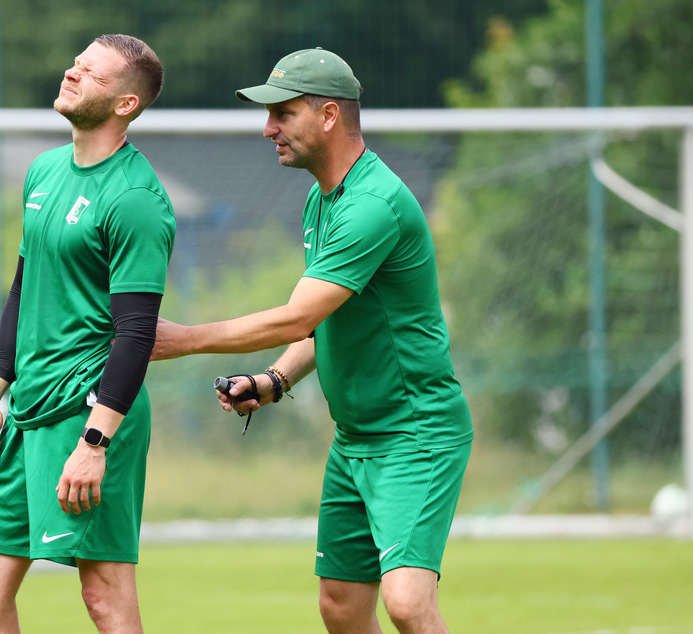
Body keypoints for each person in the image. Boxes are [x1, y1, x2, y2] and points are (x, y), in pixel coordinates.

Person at [153, 48, 473, 634]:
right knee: (342, 608)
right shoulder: (321, 199)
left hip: (415, 434)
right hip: (355, 438)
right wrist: (275, 380)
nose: (268, 127)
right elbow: (325, 322)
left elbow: (296, 317)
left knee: (406, 602)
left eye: (283, 112)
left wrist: (183, 339)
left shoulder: (371, 206)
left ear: (329, 115)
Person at [0, 34, 175, 634]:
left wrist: (95, 443)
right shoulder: (44, 171)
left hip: (88, 412)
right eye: (74, 63)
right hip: (26, 411)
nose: (72, 74)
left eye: (92, 74)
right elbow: (24, 291)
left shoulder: (135, 198)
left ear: (126, 104)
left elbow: (136, 332)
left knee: (104, 596)